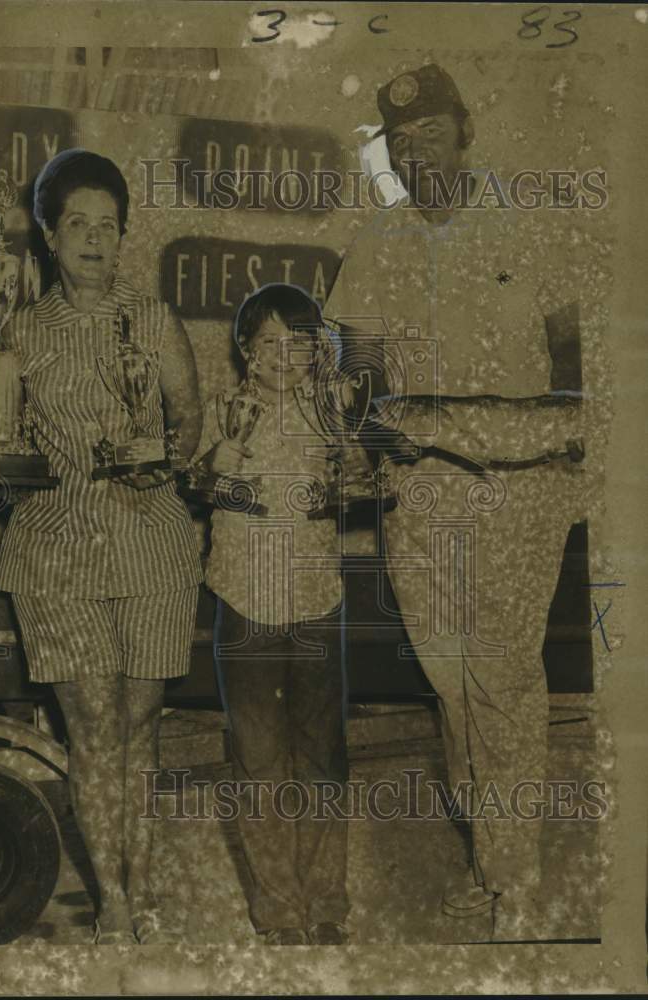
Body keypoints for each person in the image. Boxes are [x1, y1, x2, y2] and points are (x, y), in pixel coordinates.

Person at [325, 64, 589, 941]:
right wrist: (369, 429)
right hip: (421, 494)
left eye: (429, 134)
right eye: (398, 143)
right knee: (451, 686)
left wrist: (565, 438)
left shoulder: (528, 224)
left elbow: (571, 352)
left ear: (464, 131)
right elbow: (358, 366)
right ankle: (488, 861)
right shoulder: (376, 242)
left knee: (504, 680)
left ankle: (515, 883)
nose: (413, 152)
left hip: (518, 491)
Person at [0, 148, 203, 945]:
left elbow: (191, 420)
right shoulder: (20, 331)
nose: (91, 239)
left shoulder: (153, 321)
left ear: (122, 237)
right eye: (75, 223)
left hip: (151, 544)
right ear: (49, 235)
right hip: (59, 550)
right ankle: (112, 899)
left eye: (105, 225)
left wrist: (164, 460)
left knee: (141, 723)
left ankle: (143, 889)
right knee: (93, 726)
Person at [194, 283, 357, 946]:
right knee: (257, 755)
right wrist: (222, 463)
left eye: (301, 344)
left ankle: (325, 900)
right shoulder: (223, 410)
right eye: (271, 343)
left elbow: (360, 485)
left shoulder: (331, 415)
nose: (286, 357)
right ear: (245, 351)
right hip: (245, 599)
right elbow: (198, 484)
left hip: (317, 599)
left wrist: (351, 472)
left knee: (321, 754)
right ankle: (276, 907)